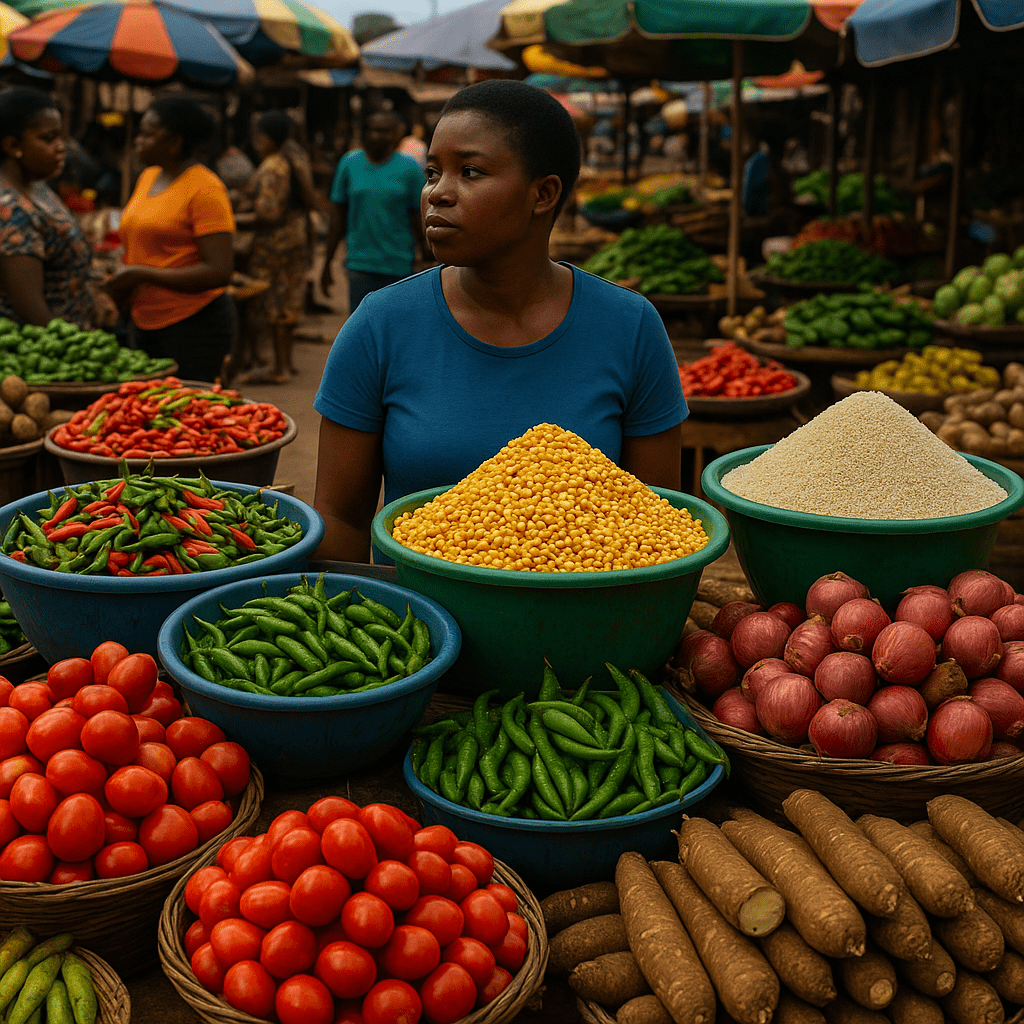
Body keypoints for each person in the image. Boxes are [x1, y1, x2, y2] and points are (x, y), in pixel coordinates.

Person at [313, 80, 686, 564]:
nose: (437, 194)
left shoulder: (630, 327)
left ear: (543, 194)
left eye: (470, 172)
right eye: (432, 173)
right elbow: (339, 517)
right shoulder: (380, 326)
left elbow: (657, 528)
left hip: (587, 629)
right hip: (418, 630)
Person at [104, 96, 235, 382]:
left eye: (147, 134)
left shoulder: (205, 189)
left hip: (193, 326)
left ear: (174, 142)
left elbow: (219, 270)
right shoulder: (148, 177)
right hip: (144, 321)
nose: (138, 141)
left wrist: (141, 274)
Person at [0, 88, 95, 328]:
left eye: (60, 137)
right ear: (13, 145)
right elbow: (33, 313)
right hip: (44, 351)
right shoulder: (11, 211)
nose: (61, 147)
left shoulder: (38, 187)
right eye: (48, 138)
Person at [232, 111, 314, 384]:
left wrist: (229, 220)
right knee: (288, 299)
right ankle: (285, 364)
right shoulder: (294, 158)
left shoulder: (272, 167)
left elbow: (268, 214)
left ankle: (277, 367)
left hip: (275, 243)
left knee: (272, 301)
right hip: (294, 238)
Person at [320, 109, 425, 314]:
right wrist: (327, 263)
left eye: (384, 131)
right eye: (373, 130)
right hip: (360, 266)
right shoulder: (349, 164)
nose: (377, 136)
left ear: (396, 134)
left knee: (397, 334)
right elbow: (338, 219)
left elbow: (419, 218)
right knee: (362, 334)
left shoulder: (410, 169)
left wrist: (429, 258)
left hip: (399, 267)